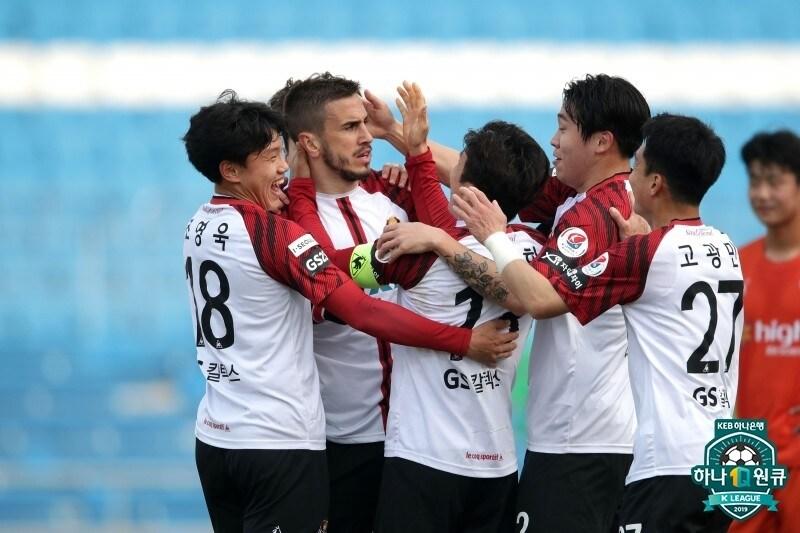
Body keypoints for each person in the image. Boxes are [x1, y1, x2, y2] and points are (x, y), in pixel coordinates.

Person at [181, 90, 518, 532]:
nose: (283, 167)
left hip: (218, 435)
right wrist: (463, 341)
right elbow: (358, 309)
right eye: (269, 158)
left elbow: (323, 265)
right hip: (283, 440)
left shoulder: (198, 223)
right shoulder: (277, 232)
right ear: (231, 170)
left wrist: (385, 255)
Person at [379, 74, 649, 533]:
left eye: (563, 127)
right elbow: (484, 176)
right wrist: (404, 142)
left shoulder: (594, 214)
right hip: (569, 441)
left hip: (577, 440)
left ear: (601, 141)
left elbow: (535, 297)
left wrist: (448, 241)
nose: (554, 140)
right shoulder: (581, 199)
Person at [454, 113, 739, 532]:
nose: (628, 177)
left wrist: (494, 235)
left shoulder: (644, 255)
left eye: (636, 166)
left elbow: (540, 298)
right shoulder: (725, 246)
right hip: (723, 460)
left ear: (656, 183)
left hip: (667, 463)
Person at [296, 81, 550, 532]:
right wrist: (413, 158)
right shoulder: (536, 256)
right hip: (496, 466)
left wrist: (301, 195)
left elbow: (323, 270)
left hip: (423, 460)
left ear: (465, 186)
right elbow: (453, 237)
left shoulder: (413, 253)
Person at [282, 72, 486, 532]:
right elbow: (332, 285)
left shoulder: (391, 195)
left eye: (365, 124)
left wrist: (403, 141)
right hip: (341, 439)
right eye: (351, 127)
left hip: (417, 438)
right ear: (309, 145)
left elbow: (479, 191)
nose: (366, 137)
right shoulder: (287, 219)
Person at [729, 130, 800, 533]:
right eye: (755, 180)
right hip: (743, 448)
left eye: (774, 181)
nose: (762, 193)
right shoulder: (738, 264)